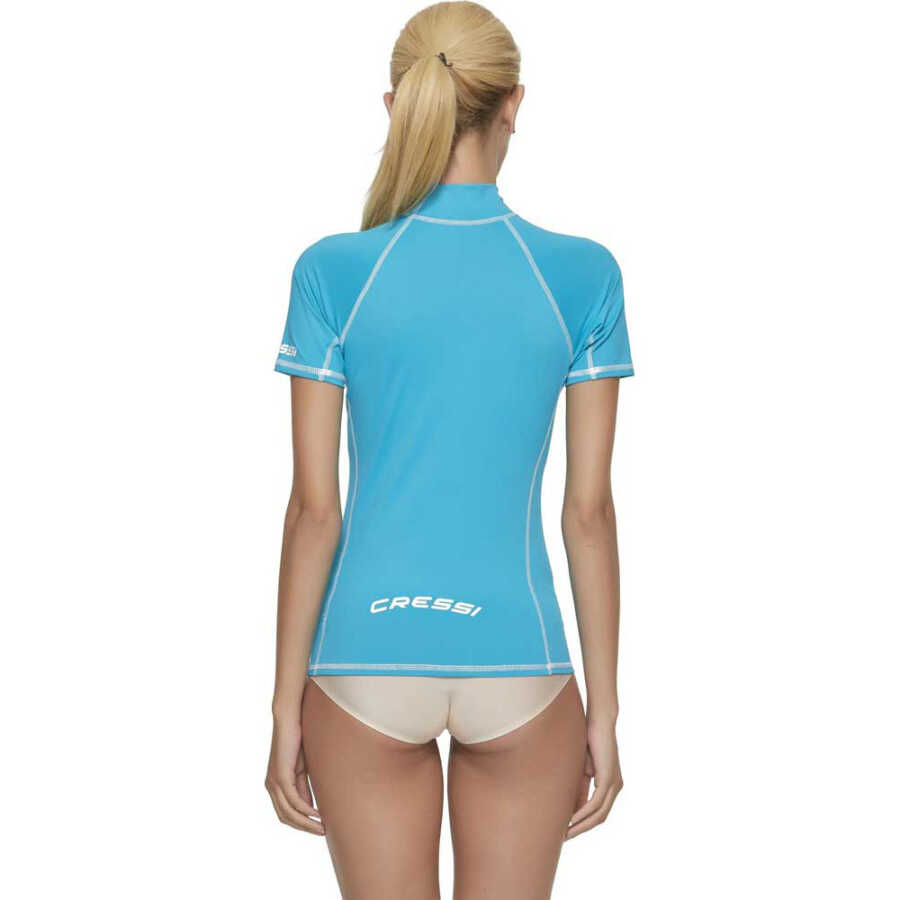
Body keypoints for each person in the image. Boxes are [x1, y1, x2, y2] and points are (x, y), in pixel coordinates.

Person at [265, 3, 632, 897]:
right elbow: (586, 513)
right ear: (514, 104)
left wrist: (283, 706)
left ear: (396, 106)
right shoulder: (582, 273)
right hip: (523, 663)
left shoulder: (332, 272)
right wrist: (606, 709)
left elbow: (315, 510)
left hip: (361, 661)